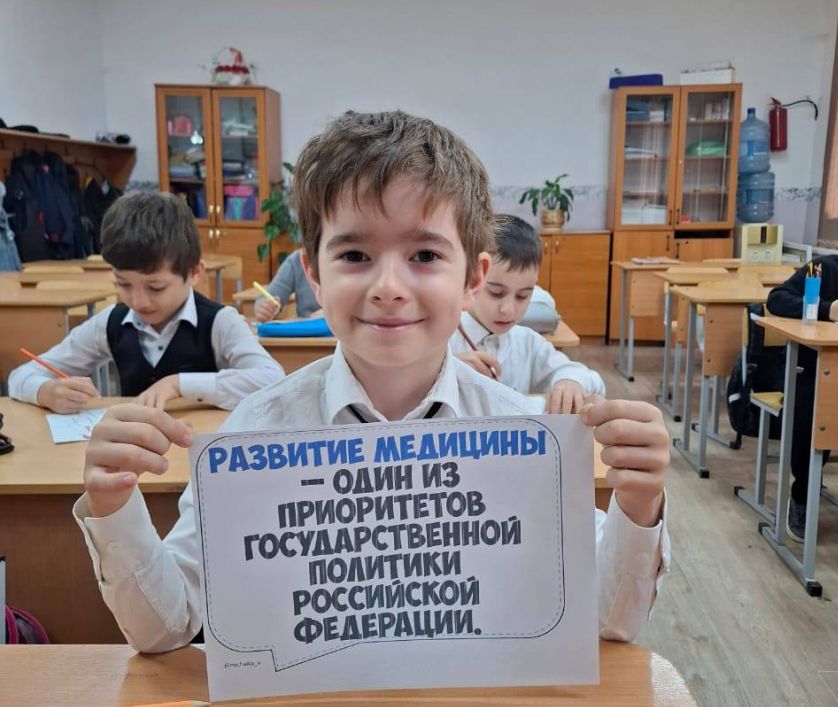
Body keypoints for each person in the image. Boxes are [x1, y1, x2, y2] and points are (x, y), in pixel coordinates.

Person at [74, 110, 670, 653]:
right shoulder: (254, 432)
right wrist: (114, 508)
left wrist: (638, 508)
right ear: (313, 273)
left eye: (425, 256)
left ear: (473, 278)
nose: (388, 287)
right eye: (355, 255)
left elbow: (608, 622)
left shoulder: (527, 436)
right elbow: (168, 628)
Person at [9, 192, 282, 413]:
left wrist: (178, 385)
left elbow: (273, 380)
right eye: (123, 284)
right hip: (132, 453)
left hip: (198, 452)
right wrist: (45, 391)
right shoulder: (111, 322)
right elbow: (21, 375)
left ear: (194, 272)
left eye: (156, 287)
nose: (138, 301)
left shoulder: (220, 322)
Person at [450, 215, 604, 412]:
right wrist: (446, 370)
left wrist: (570, 381)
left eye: (522, 296)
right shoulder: (443, 337)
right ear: (472, 280)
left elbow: (593, 380)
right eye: (496, 292)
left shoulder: (527, 342)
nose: (508, 309)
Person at [766, 253, 838, 541]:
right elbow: (776, 299)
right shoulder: (826, 268)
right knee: (814, 411)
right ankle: (801, 495)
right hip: (814, 373)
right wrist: (826, 309)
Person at [254, 247, 321, 322]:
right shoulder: (297, 260)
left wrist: (329, 313)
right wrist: (265, 309)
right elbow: (267, 296)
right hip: (306, 326)